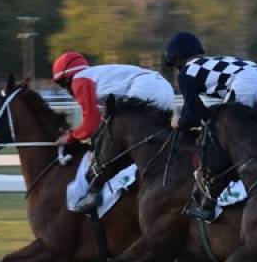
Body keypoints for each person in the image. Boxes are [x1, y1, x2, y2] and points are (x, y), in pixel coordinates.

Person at [51, 51, 175, 214]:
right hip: (165, 90)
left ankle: (95, 190)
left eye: (62, 84)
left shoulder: (79, 80)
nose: (67, 90)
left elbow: (91, 124)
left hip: (146, 88)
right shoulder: (96, 76)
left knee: (108, 138)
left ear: (67, 77)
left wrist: (71, 136)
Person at [163, 32, 257, 129]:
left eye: (174, 64)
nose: (177, 69)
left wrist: (177, 124)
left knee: (224, 133)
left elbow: (191, 118)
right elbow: (199, 110)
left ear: (178, 59)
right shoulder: (214, 61)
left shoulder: (188, 71)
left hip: (247, 84)